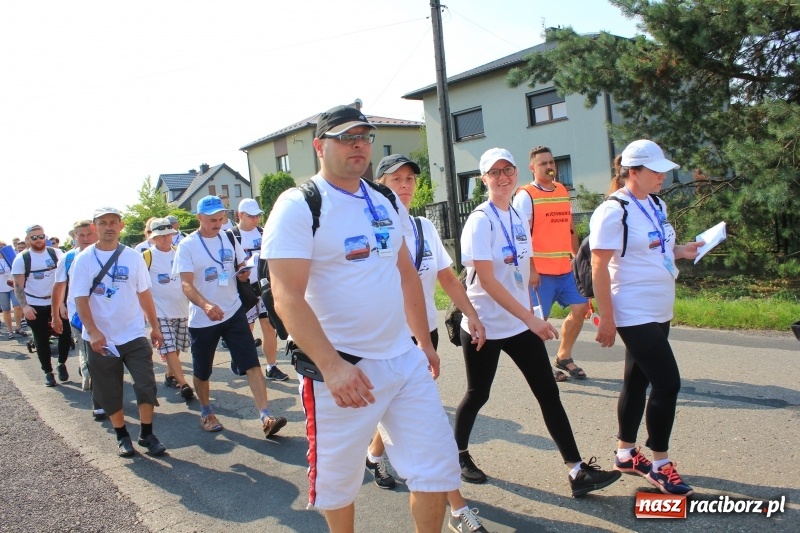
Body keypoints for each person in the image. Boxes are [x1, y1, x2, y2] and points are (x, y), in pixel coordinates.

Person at [263, 105, 461, 532]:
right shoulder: (300, 205)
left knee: (437, 469)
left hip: (403, 360)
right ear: (320, 146)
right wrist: (333, 367)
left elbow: (405, 272)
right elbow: (286, 296)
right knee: (338, 485)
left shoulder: (386, 198)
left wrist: (423, 342)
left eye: (364, 137)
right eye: (345, 137)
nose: (358, 145)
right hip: (342, 367)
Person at [454, 147, 621, 498]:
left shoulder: (516, 214)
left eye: (507, 170)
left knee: (548, 392)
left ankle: (577, 472)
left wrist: (533, 303)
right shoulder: (480, 220)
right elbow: (486, 280)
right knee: (477, 393)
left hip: (518, 323)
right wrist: (531, 317)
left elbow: (527, 266)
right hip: (485, 325)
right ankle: (456, 455)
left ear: (516, 174)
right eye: (494, 173)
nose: (502, 177)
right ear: (483, 179)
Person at [370, 153, 490, 532]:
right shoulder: (372, 227)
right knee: (429, 429)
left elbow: (448, 278)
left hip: (423, 337)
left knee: (413, 419)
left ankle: (375, 456)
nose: (404, 186)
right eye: (395, 179)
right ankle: (457, 508)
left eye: (409, 179)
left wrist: (470, 313)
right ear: (379, 185)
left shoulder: (423, 226)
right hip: (381, 341)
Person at [590, 139, 702, 495]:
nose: (663, 178)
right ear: (633, 172)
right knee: (668, 383)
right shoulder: (613, 210)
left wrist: (682, 250)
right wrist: (607, 317)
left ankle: (625, 454)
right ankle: (660, 463)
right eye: (656, 172)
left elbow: (658, 247)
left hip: (659, 308)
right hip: (632, 310)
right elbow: (598, 266)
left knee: (636, 382)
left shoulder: (655, 203)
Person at [174, 195, 286, 437]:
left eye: (221, 218)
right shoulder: (188, 245)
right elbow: (186, 284)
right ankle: (206, 411)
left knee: (252, 363)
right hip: (204, 318)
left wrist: (242, 273)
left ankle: (266, 416)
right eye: (212, 220)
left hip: (234, 311)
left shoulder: (228, 237)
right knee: (203, 370)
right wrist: (205, 305)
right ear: (199, 218)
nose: (217, 223)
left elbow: (239, 266)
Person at [71, 207, 167, 457]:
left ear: (121, 226)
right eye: (103, 223)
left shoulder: (133, 257)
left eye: (114, 222)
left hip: (133, 333)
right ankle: (122, 435)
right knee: (109, 390)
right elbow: (80, 298)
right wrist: (92, 332)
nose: (109, 227)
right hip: (101, 338)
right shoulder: (84, 259)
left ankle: (147, 433)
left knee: (146, 385)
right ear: (95, 227)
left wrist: (154, 328)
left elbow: (144, 293)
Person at [512, 146, 588, 381]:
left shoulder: (563, 190)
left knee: (581, 308)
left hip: (565, 269)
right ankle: (542, 367)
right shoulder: (526, 195)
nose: (549, 167)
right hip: (539, 273)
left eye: (551, 162)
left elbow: (570, 227)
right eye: (543, 163)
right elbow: (519, 235)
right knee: (538, 322)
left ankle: (563, 356)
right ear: (532, 168)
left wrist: (579, 260)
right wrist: (531, 268)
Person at [229, 198, 288, 382]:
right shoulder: (231, 235)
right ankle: (242, 361)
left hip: (263, 286)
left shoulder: (264, 232)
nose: (255, 219)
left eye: (257, 215)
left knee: (269, 327)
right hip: (243, 288)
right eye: (251, 216)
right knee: (246, 329)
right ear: (240, 215)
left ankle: (271, 366)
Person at [51, 220, 101, 416]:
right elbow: (59, 287)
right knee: (88, 351)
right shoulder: (68, 258)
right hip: (78, 316)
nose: (86, 238)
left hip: (106, 316)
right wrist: (56, 312)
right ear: (74, 237)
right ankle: (98, 398)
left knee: (104, 356)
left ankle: (96, 379)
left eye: (89, 234)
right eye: (81, 235)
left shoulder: (106, 254)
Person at [12, 224, 72, 387]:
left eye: (41, 236)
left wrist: (62, 303)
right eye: (34, 237)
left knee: (65, 335)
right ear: (27, 240)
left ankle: (61, 363)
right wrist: (25, 307)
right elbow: (18, 286)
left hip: (57, 301)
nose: (39, 240)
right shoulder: (22, 259)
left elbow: (64, 280)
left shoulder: (57, 254)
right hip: (35, 304)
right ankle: (48, 372)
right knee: (41, 339)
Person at [144, 217, 194, 400]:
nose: (166, 239)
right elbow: (140, 287)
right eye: (161, 236)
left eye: (168, 235)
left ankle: (170, 375)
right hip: (160, 311)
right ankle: (184, 384)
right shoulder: (146, 257)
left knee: (177, 346)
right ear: (153, 238)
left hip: (182, 309)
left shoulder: (179, 252)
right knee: (170, 347)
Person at [0, 240, 28, 339]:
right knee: (6, 310)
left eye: (3, 246)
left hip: (13, 286)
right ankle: (10, 330)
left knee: (18, 307)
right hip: (1, 289)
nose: (1, 249)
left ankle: (18, 327)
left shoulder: (12, 257)